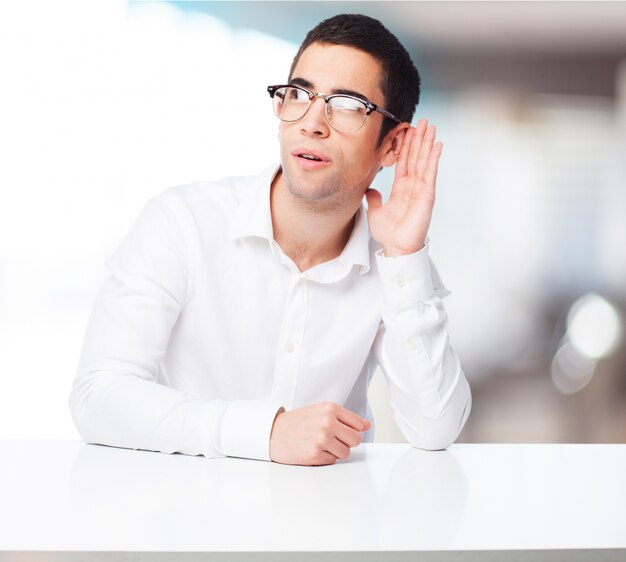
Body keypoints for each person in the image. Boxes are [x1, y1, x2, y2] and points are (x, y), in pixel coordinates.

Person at [69, 13, 472, 466]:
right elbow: (98, 396)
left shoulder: (394, 261)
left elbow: (435, 427)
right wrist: (266, 432)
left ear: (392, 147)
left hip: (331, 525)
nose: (312, 123)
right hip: (183, 522)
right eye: (299, 94)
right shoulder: (182, 222)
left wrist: (404, 256)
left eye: (345, 105)